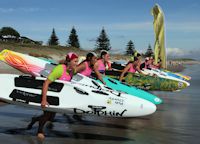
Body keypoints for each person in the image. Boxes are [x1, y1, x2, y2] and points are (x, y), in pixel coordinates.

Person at [27, 52, 79, 139]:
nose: (77, 64)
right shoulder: (60, 69)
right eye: (75, 61)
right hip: (49, 94)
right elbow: (46, 83)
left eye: (77, 61)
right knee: (47, 115)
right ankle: (40, 131)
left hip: (57, 96)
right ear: (69, 61)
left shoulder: (72, 71)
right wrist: (44, 99)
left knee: (51, 117)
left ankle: (35, 119)